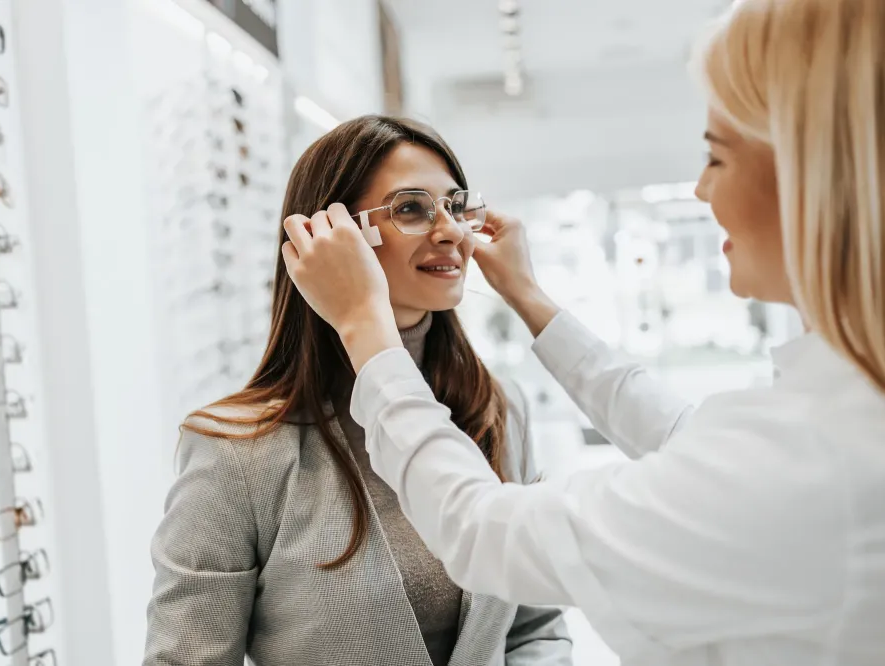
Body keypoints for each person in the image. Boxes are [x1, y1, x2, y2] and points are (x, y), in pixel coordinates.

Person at [279, 1, 885, 665]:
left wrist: (364, 329)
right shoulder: (849, 419)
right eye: (411, 208)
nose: (699, 190)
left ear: (811, 180)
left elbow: (483, 535)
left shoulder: (810, 460)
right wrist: (530, 300)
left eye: (717, 158)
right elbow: (684, 434)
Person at [142, 116, 573, 666]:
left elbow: (535, 626)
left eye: (457, 205)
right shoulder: (236, 451)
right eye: (411, 208)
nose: (451, 231)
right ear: (329, 240)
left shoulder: (494, 408)